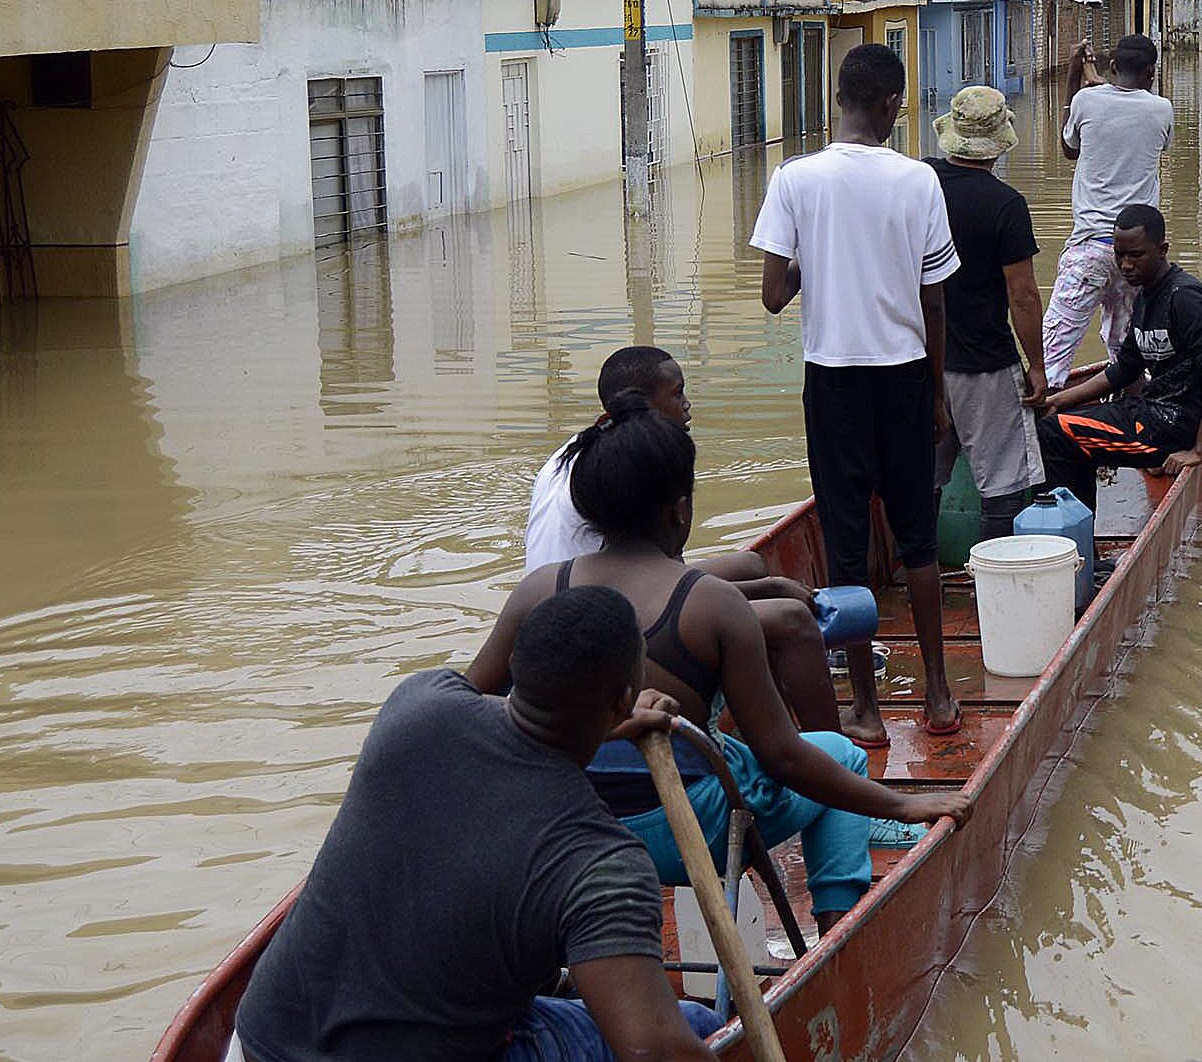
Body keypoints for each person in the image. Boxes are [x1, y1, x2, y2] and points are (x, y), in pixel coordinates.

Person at [468, 416, 968, 934]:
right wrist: (904, 803)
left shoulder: (537, 589)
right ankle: (836, 933)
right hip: (685, 832)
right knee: (842, 754)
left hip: (569, 825)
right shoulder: (713, 605)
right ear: (680, 510)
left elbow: (462, 703)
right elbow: (783, 756)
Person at [236, 586, 718, 1062]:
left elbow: (506, 723)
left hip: (259, 1043)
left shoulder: (417, 703)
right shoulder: (599, 861)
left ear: (515, 667)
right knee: (698, 1026)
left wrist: (602, 720)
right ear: (621, 701)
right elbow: (650, 1049)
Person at [751, 42, 964, 740]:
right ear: (890, 105)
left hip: (833, 383)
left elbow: (774, 296)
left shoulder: (794, 180)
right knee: (918, 542)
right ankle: (936, 696)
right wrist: (936, 397)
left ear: (838, 98)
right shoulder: (918, 181)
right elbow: (935, 302)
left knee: (846, 549)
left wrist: (820, 252)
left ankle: (866, 711)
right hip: (904, 376)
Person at [524, 348, 846, 737]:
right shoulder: (638, 465)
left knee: (753, 566)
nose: (688, 406)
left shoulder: (586, 447)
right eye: (678, 394)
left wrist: (764, 585)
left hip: (601, 579)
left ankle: (766, 717)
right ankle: (823, 750)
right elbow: (654, 584)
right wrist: (761, 593)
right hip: (599, 610)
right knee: (791, 620)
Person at [1037, 203, 1202, 512]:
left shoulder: (1186, 298)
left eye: (1136, 255)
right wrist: (1059, 400)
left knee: (1053, 435)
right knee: (1055, 420)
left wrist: (1198, 449)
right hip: (1153, 413)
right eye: (1119, 255)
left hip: (1175, 427)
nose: (1125, 265)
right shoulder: (1144, 295)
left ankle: (1076, 543)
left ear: (1162, 249)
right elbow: (1124, 369)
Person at [925, 85, 1052, 535]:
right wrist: (1037, 367)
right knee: (1002, 483)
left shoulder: (920, 183)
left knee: (927, 477)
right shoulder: (1005, 205)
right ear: (999, 142)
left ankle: (918, 574)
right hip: (983, 365)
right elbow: (1023, 296)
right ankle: (995, 586)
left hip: (920, 361)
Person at [1044, 32, 1174, 386]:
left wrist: (1076, 75)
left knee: (1055, 348)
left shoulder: (1086, 101)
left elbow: (1070, 149)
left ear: (1114, 66)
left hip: (1089, 248)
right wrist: (1097, 84)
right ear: (1151, 72)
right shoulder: (1162, 110)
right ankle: (1133, 417)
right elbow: (1132, 112)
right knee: (1128, 349)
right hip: (1139, 254)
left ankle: (1042, 420)